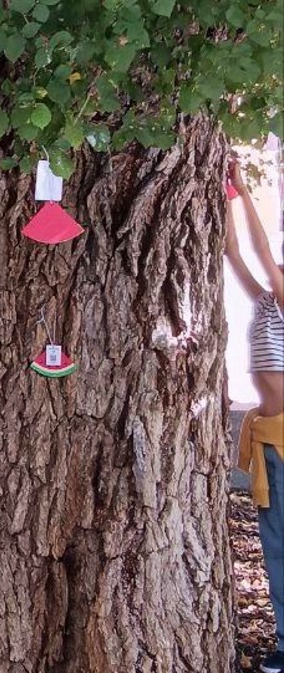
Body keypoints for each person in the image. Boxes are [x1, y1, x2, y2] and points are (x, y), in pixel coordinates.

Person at [226, 158, 284, 673]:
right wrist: (221, 194)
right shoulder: (267, 304)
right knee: (275, 546)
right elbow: (234, 253)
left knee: (283, 544)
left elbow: (262, 254)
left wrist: (244, 192)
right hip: (270, 440)